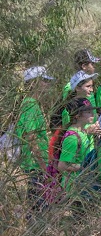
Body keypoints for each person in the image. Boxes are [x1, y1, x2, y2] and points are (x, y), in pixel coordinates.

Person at [15, 66, 53, 209]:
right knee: (38, 207)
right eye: (44, 80)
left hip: (37, 163)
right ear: (33, 83)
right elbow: (31, 137)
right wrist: (44, 166)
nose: (48, 84)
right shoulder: (30, 105)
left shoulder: (34, 104)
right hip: (34, 165)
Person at [58, 98, 95, 193]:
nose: (93, 114)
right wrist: (85, 166)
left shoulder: (84, 130)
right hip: (72, 188)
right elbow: (62, 166)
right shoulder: (72, 138)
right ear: (77, 115)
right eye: (89, 112)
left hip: (84, 185)